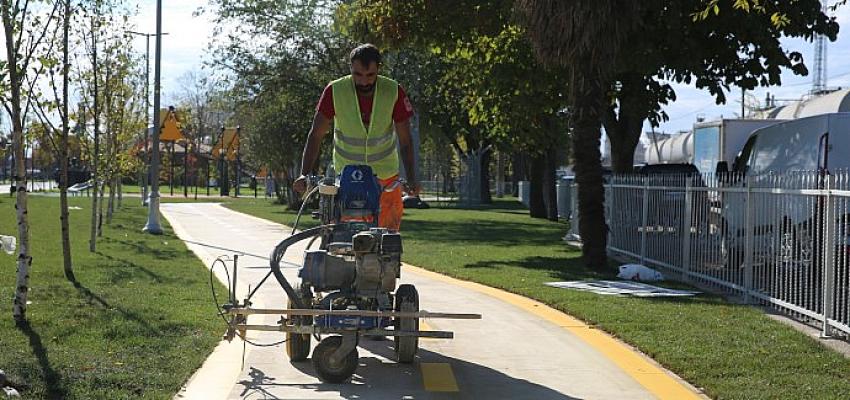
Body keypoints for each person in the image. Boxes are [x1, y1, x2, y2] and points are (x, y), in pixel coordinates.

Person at [293, 44, 420, 231]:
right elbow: (316, 135)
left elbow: (406, 141)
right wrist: (304, 174)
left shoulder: (393, 91)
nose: (364, 82)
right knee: (341, 234)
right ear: (350, 68)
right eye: (358, 75)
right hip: (346, 177)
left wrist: (411, 178)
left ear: (378, 69)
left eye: (370, 75)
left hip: (385, 178)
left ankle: (389, 260)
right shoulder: (335, 91)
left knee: (388, 240)